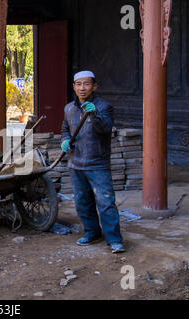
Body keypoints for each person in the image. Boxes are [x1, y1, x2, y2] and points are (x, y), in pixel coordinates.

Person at [61, 71, 125, 253]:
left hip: (98, 164)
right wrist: (64, 140)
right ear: (74, 87)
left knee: (105, 203)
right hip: (76, 163)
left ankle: (114, 239)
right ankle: (91, 232)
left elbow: (105, 128)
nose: (82, 88)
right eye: (78, 84)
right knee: (83, 202)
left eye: (86, 84)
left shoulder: (104, 106)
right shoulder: (69, 109)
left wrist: (94, 115)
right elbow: (65, 128)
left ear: (94, 86)